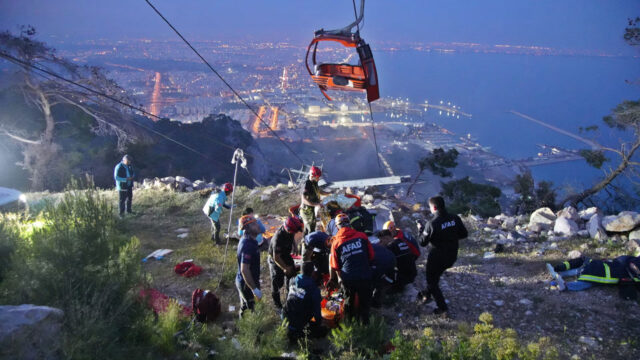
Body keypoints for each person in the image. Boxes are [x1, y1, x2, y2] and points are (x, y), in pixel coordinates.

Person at [417, 196, 468, 315]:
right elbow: (464, 234)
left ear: (434, 207)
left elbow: (422, 242)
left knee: (432, 281)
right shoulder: (455, 218)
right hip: (452, 255)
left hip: (437, 257)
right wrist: (451, 238)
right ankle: (426, 294)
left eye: (430, 207)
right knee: (435, 278)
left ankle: (442, 308)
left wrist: (420, 230)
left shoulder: (432, 224)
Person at [329, 213, 374, 324]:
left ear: (337, 227)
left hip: (348, 278)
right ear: (349, 223)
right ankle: (366, 325)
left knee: (349, 301)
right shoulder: (362, 236)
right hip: (364, 275)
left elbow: (335, 266)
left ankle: (349, 324)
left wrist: (339, 279)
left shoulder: (336, 243)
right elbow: (371, 256)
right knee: (365, 303)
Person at [283, 261, 327, 343]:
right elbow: (317, 312)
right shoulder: (313, 289)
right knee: (324, 330)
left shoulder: (292, 280)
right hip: (300, 320)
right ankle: (299, 333)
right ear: (312, 273)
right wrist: (320, 323)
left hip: (286, 316)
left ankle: (292, 330)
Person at [546, 255, 640, 294]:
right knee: (580, 272)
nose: (635, 268)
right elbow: (622, 260)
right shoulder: (627, 261)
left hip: (599, 274)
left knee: (586, 282)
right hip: (598, 269)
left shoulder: (633, 278)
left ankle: (565, 285)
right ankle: (559, 275)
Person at [268, 216, 304, 310]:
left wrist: (295, 246)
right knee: (277, 282)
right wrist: (284, 268)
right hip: (276, 260)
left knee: (292, 275)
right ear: (288, 229)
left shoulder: (291, 230)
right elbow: (276, 257)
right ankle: (277, 304)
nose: (295, 233)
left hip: (286, 255)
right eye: (294, 231)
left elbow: (292, 236)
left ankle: (290, 298)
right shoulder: (278, 238)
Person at [236, 215, 263, 317]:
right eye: (254, 224)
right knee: (250, 309)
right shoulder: (247, 245)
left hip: (247, 281)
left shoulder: (251, 241)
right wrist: (254, 289)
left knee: (245, 305)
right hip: (246, 284)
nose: (258, 225)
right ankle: (252, 330)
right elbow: (244, 269)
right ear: (248, 227)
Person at [379, 228, 417, 292]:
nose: (380, 243)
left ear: (386, 238)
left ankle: (396, 289)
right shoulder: (401, 241)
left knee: (381, 274)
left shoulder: (390, 247)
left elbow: (382, 262)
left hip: (404, 277)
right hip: (413, 273)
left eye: (381, 241)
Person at [300, 166, 330, 235]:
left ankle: (307, 241)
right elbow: (304, 200)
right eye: (317, 177)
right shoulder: (306, 184)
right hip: (306, 211)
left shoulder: (314, 182)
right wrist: (316, 204)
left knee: (311, 227)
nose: (318, 178)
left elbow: (318, 190)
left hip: (312, 208)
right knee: (310, 229)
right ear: (313, 175)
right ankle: (308, 243)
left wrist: (329, 194)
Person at [370, 239, 397, 308]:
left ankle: (376, 303)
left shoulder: (363, 252)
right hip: (391, 258)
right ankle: (390, 284)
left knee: (377, 282)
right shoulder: (370, 244)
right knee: (387, 279)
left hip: (383, 263)